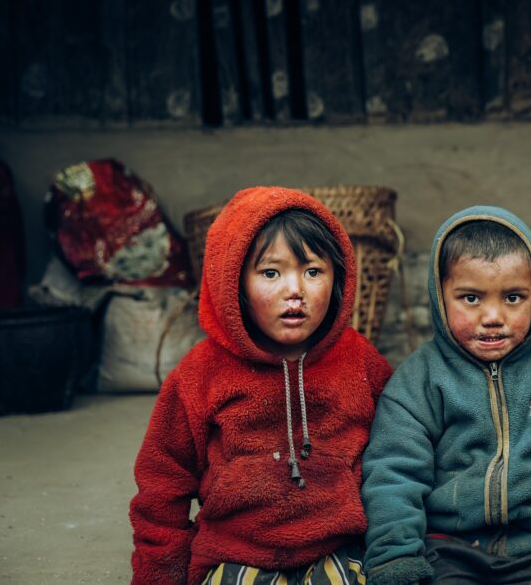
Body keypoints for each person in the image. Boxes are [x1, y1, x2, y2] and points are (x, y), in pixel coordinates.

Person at [130, 186, 392, 585]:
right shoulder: (200, 374)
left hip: (338, 549)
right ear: (234, 283)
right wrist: (160, 575)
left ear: (339, 279)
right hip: (235, 553)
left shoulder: (360, 361)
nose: (295, 290)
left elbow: (399, 453)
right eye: (271, 272)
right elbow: (162, 484)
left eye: (313, 271)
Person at [361, 206, 531, 585]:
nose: (493, 316)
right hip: (446, 548)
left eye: (514, 297)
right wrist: (396, 555)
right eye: (470, 298)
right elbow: (393, 471)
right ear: (440, 296)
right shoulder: (418, 380)